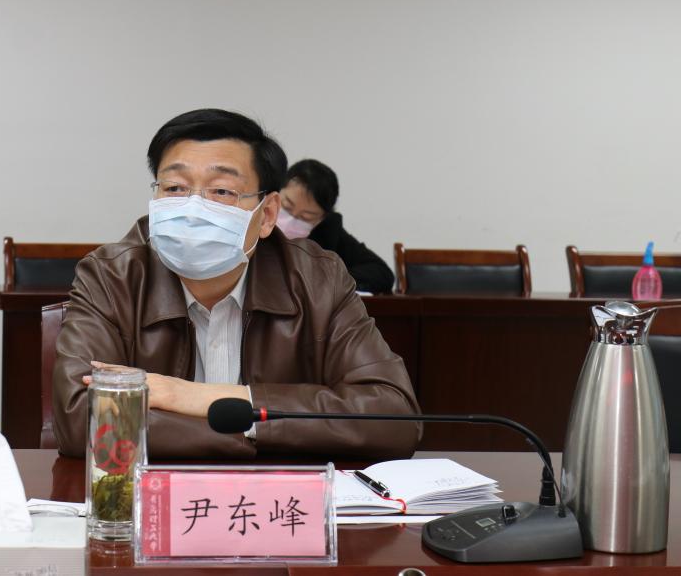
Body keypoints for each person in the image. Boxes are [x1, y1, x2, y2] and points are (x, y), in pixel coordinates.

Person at [52, 109, 419, 459]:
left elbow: (393, 416)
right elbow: (80, 419)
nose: (193, 209)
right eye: (175, 187)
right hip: (153, 496)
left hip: (276, 498)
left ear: (267, 214)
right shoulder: (111, 277)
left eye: (222, 191)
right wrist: (253, 431)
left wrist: (189, 396)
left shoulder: (318, 280)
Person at [277, 159, 395, 295]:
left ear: (322, 218)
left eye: (306, 217)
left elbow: (381, 273)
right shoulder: (257, 214)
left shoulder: (328, 231)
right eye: (287, 206)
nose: (291, 220)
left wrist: (325, 280)